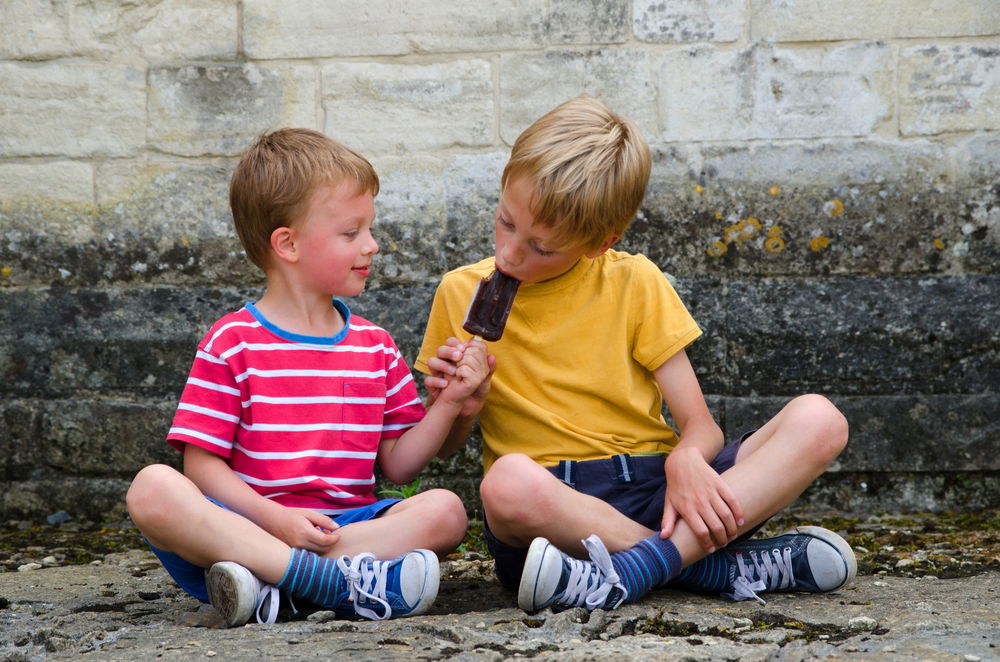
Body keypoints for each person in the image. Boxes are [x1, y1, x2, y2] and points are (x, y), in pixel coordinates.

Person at [415, 96, 856, 613]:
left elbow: (700, 424)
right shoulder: (459, 291)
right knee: (505, 482)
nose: (511, 253)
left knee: (820, 420)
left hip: (660, 494)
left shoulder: (633, 281)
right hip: (552, 517)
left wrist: (688, 458)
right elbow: (445, 451)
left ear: (600, 243)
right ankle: (709, 567)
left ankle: (633, 569)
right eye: (505, 222)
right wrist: (462, 407)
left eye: (542, 247)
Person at [126, 128, 492, 627]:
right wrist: (274, 519)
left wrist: (450, 403)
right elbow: (202, 467)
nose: (373, 245)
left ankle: (281, 590)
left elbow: (400, 467)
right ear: (288, 244)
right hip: (246, 530)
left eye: (370, 229)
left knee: (446, 511)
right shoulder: (232, 342)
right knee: (151, 488)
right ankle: (332, 584)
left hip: (342, 530)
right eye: (351, 233)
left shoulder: (375, 345)